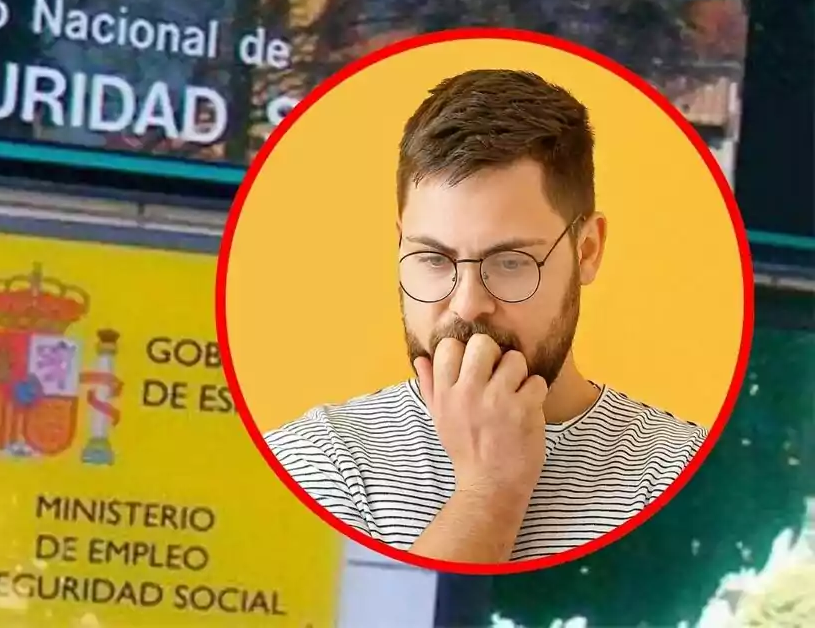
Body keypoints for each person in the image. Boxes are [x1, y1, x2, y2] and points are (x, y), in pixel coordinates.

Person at [265, 68, 707, 564]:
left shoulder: (683, 471)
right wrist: (489, 490)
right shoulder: (315, 460)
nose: (468, 303)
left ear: (586, 250)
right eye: (433, 259)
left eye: (511, 262)